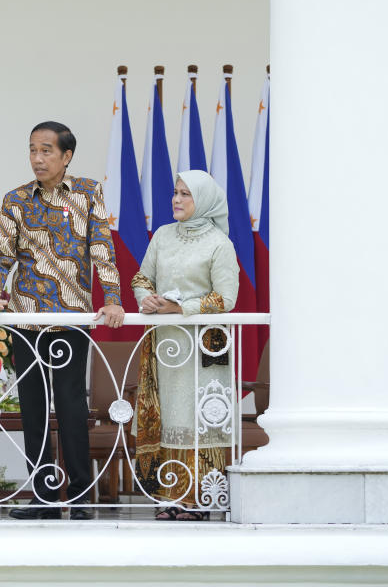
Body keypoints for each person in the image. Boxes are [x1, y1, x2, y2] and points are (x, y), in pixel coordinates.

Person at [0, 121, 124, 520]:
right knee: (34, 408)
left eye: (46, 151)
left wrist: (112, 298)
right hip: (26, 322)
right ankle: (44, 498)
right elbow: (0, 255)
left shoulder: (88, 192)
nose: (37, 158)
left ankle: (78, 496)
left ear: (66, 156)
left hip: (72, 320)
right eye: (32, 150)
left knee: (73, 408)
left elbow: (101, 249)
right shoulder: (16, 199)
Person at [131, 170, 239, 521]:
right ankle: (170, 495)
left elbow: (226, 298)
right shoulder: (162, 235)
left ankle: (199, 497)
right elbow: (142, 277)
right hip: (165, 344)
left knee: (198, 418)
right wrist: (146, 299)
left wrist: (182, 308)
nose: (176, 200)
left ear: (204, 201)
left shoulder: (220, 244)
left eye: (185, 195)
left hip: (202, 347)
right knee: (169, 417)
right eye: (175, 193)